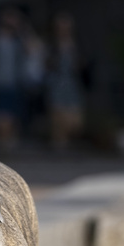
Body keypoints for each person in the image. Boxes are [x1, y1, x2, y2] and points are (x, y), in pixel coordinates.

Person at [0, 7, 26, 150]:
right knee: (0, 119)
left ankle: (5, 147)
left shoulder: (19, 39)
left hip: (15, 84)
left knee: (11, 120)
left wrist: (23, 29)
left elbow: (34, 48)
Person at [45, 12, 84, 150]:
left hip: (71, 82)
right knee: (58, 114)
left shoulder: (76, 44)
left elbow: (80, 65)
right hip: (57, 82)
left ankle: (67, 140)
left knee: (75, 119)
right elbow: (47, 64)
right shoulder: (52, 45)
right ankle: (60, 144)